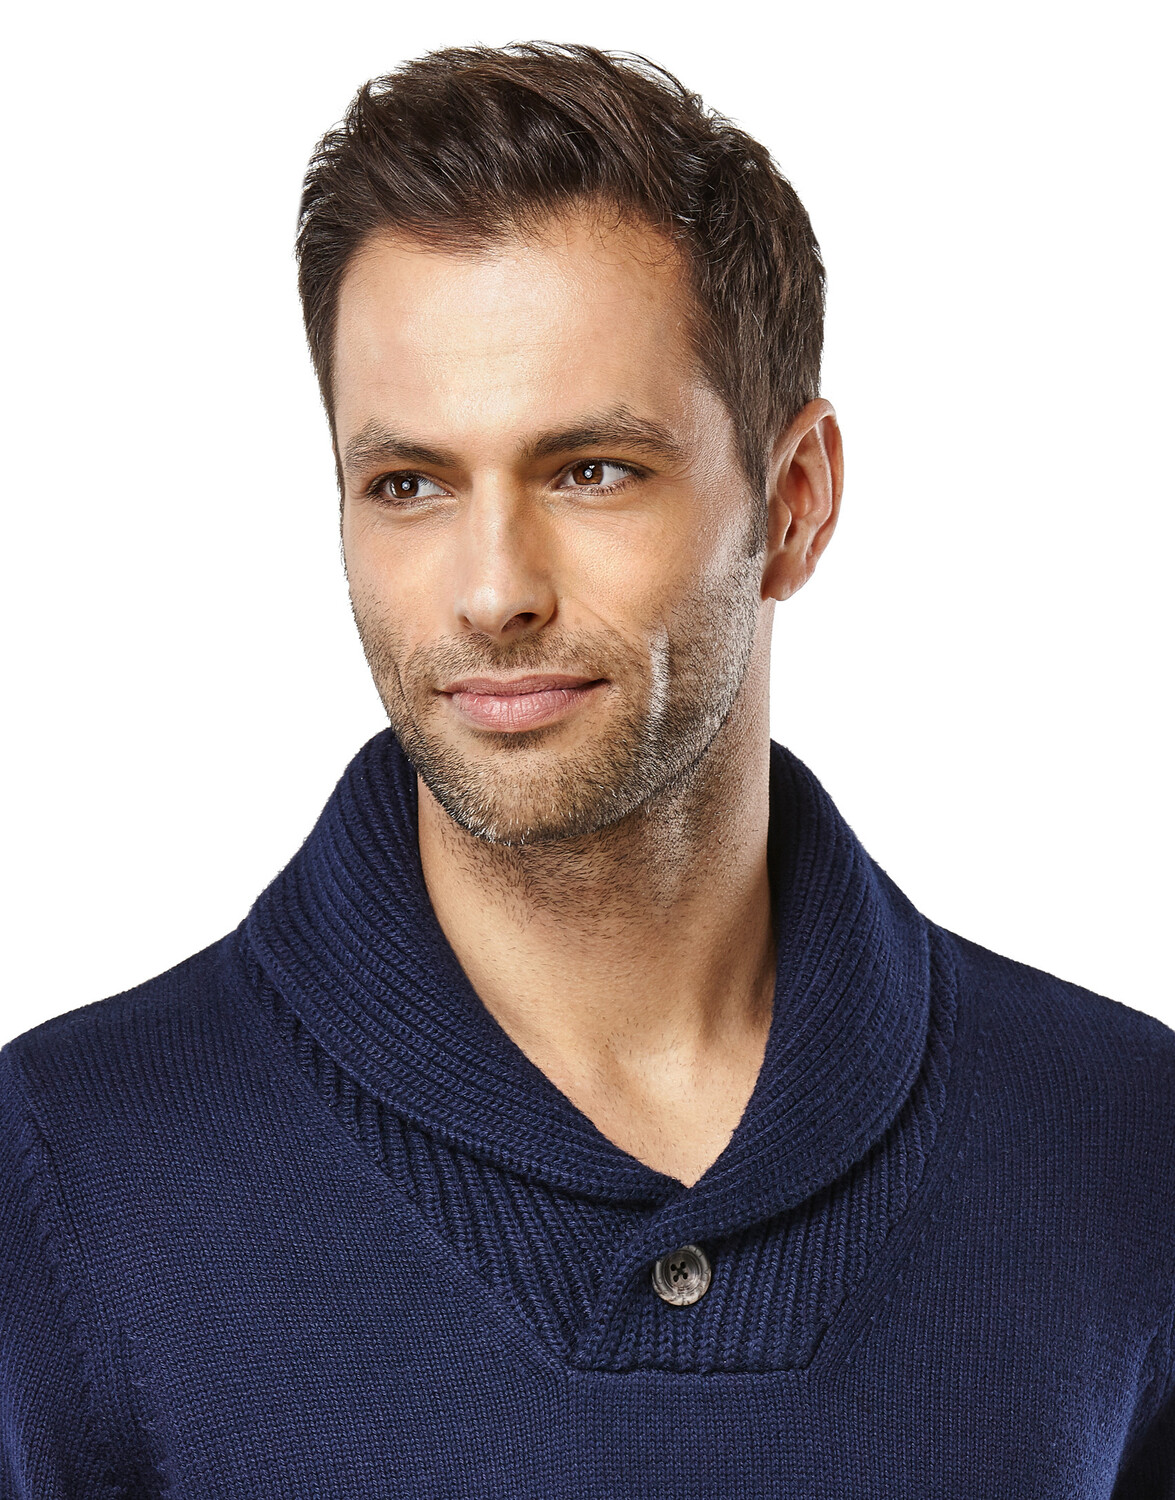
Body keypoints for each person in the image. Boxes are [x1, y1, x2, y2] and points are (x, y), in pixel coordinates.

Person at [1, 41, 1171, 1497]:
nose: (493, 591)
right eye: (409, 484)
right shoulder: (70, 1172)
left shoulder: (1127, 1142)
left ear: (795, 504)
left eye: (591, 472)